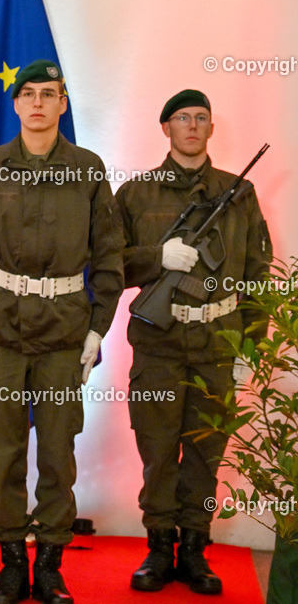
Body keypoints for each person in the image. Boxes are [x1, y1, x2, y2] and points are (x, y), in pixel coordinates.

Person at [0, 60, 124, 604]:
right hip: (2, 331)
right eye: (27, 94)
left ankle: (50, 565)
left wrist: (99, 329)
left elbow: (109, 260)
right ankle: (10, 563)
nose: (36, 103)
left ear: (62, 105)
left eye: (48, 94)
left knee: (56, 451)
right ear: (16, 104)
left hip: (63, 334)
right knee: (4, 451)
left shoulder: (88, 170)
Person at [115, 90, 271, 595]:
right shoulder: (136, 194)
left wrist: (250, 346)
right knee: (158, 450)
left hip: (217, 345)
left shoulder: (238, 193)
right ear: (165, 128)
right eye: (182, 118)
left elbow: (256, 273)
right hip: (160, 343)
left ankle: (195, 549)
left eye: (201, 118)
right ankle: (160, 548)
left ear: (210, 129)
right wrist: (159, 256)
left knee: (207, 453)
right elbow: (109, 264)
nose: (192, 125)